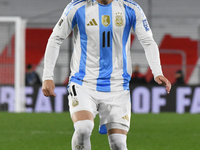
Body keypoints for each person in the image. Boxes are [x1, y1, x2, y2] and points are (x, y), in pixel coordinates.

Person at [42, 0, 171, 149]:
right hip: (84, 82)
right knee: (83, 129)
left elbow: (148, 41)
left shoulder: (131, 9)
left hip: (118, 86)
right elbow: (55, 38)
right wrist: (47, 76)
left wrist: (157, 72)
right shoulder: (77, 7)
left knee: (118, 143)